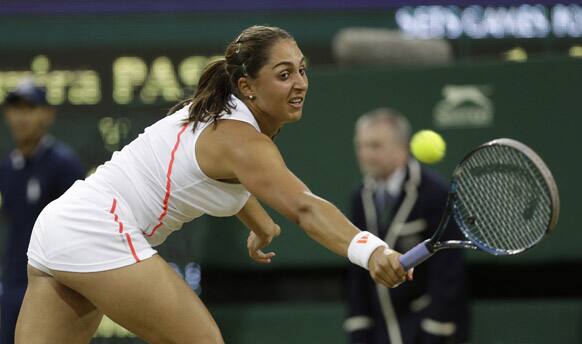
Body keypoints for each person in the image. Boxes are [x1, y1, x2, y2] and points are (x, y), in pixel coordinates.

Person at [15, 26, 411, 344]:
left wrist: (258, 224)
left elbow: (215, 178)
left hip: (60, 228)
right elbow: (304, 207)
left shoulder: (220, 118)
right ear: (247, 86)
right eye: (284, 74)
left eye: (302, 69)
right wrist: (371, 250)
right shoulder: (241, 141)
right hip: (98, 229)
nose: (300, 84)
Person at [344, 109, 469, 344]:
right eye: (360, 146)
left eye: (375, 146)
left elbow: (448, 271)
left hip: (425, 328)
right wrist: (359, 325)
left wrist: (435, 329)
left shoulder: (435, 193)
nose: (365, 154)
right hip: (379, 330)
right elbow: (357, 271)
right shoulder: (360, 196)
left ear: (401, 149)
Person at [0, 80, 85, 344]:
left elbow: (78, 232)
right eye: (16, 109)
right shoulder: (6, 168)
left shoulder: (64, 165)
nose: (21, 117)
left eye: (30, 108)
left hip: (52, 285)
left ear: (48, 114)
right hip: (12, 283)